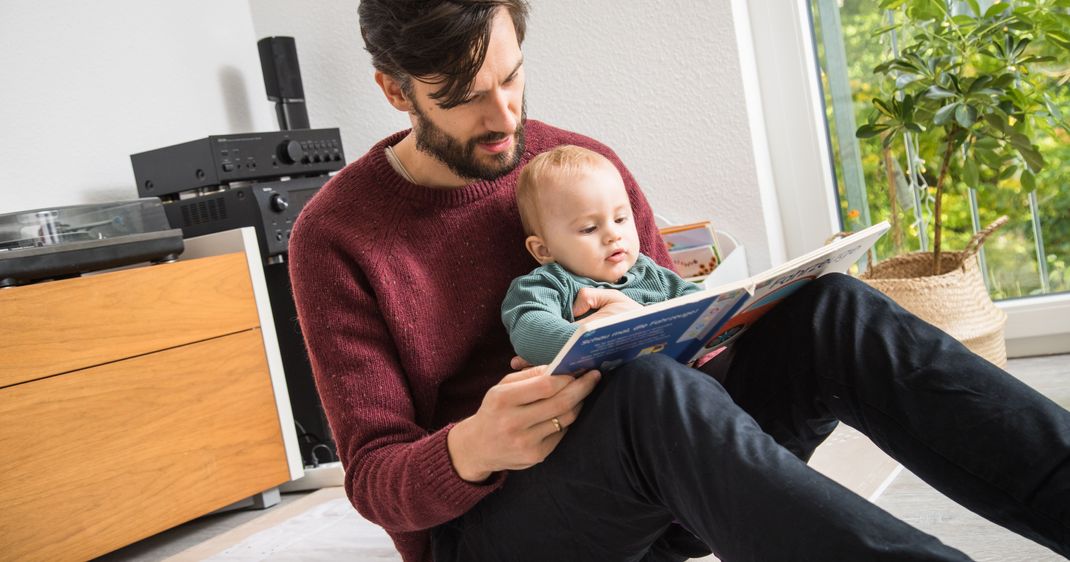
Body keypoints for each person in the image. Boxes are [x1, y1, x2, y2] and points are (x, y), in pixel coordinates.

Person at [288, 1, 1070, 561]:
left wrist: (685, 323)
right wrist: (471, 447)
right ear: (396, 91)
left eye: (513, 77)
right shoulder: (335, 237)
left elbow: (688, 336)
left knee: (835, 311)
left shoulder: (578, 166)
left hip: (672, 483)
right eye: (463, 99)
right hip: (496, 529)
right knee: (647, 396)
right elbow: (374, 479)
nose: (504, 117)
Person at [501, 145, 702, 366]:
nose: (613, 235)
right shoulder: (548, 285)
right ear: (544, 250)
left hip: (681, 380)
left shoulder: (650, 272)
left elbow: (701, 306)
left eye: (620, 219)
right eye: (589, 229)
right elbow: (531, 331)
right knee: (652, 368)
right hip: (618, 389)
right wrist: (603, 339)